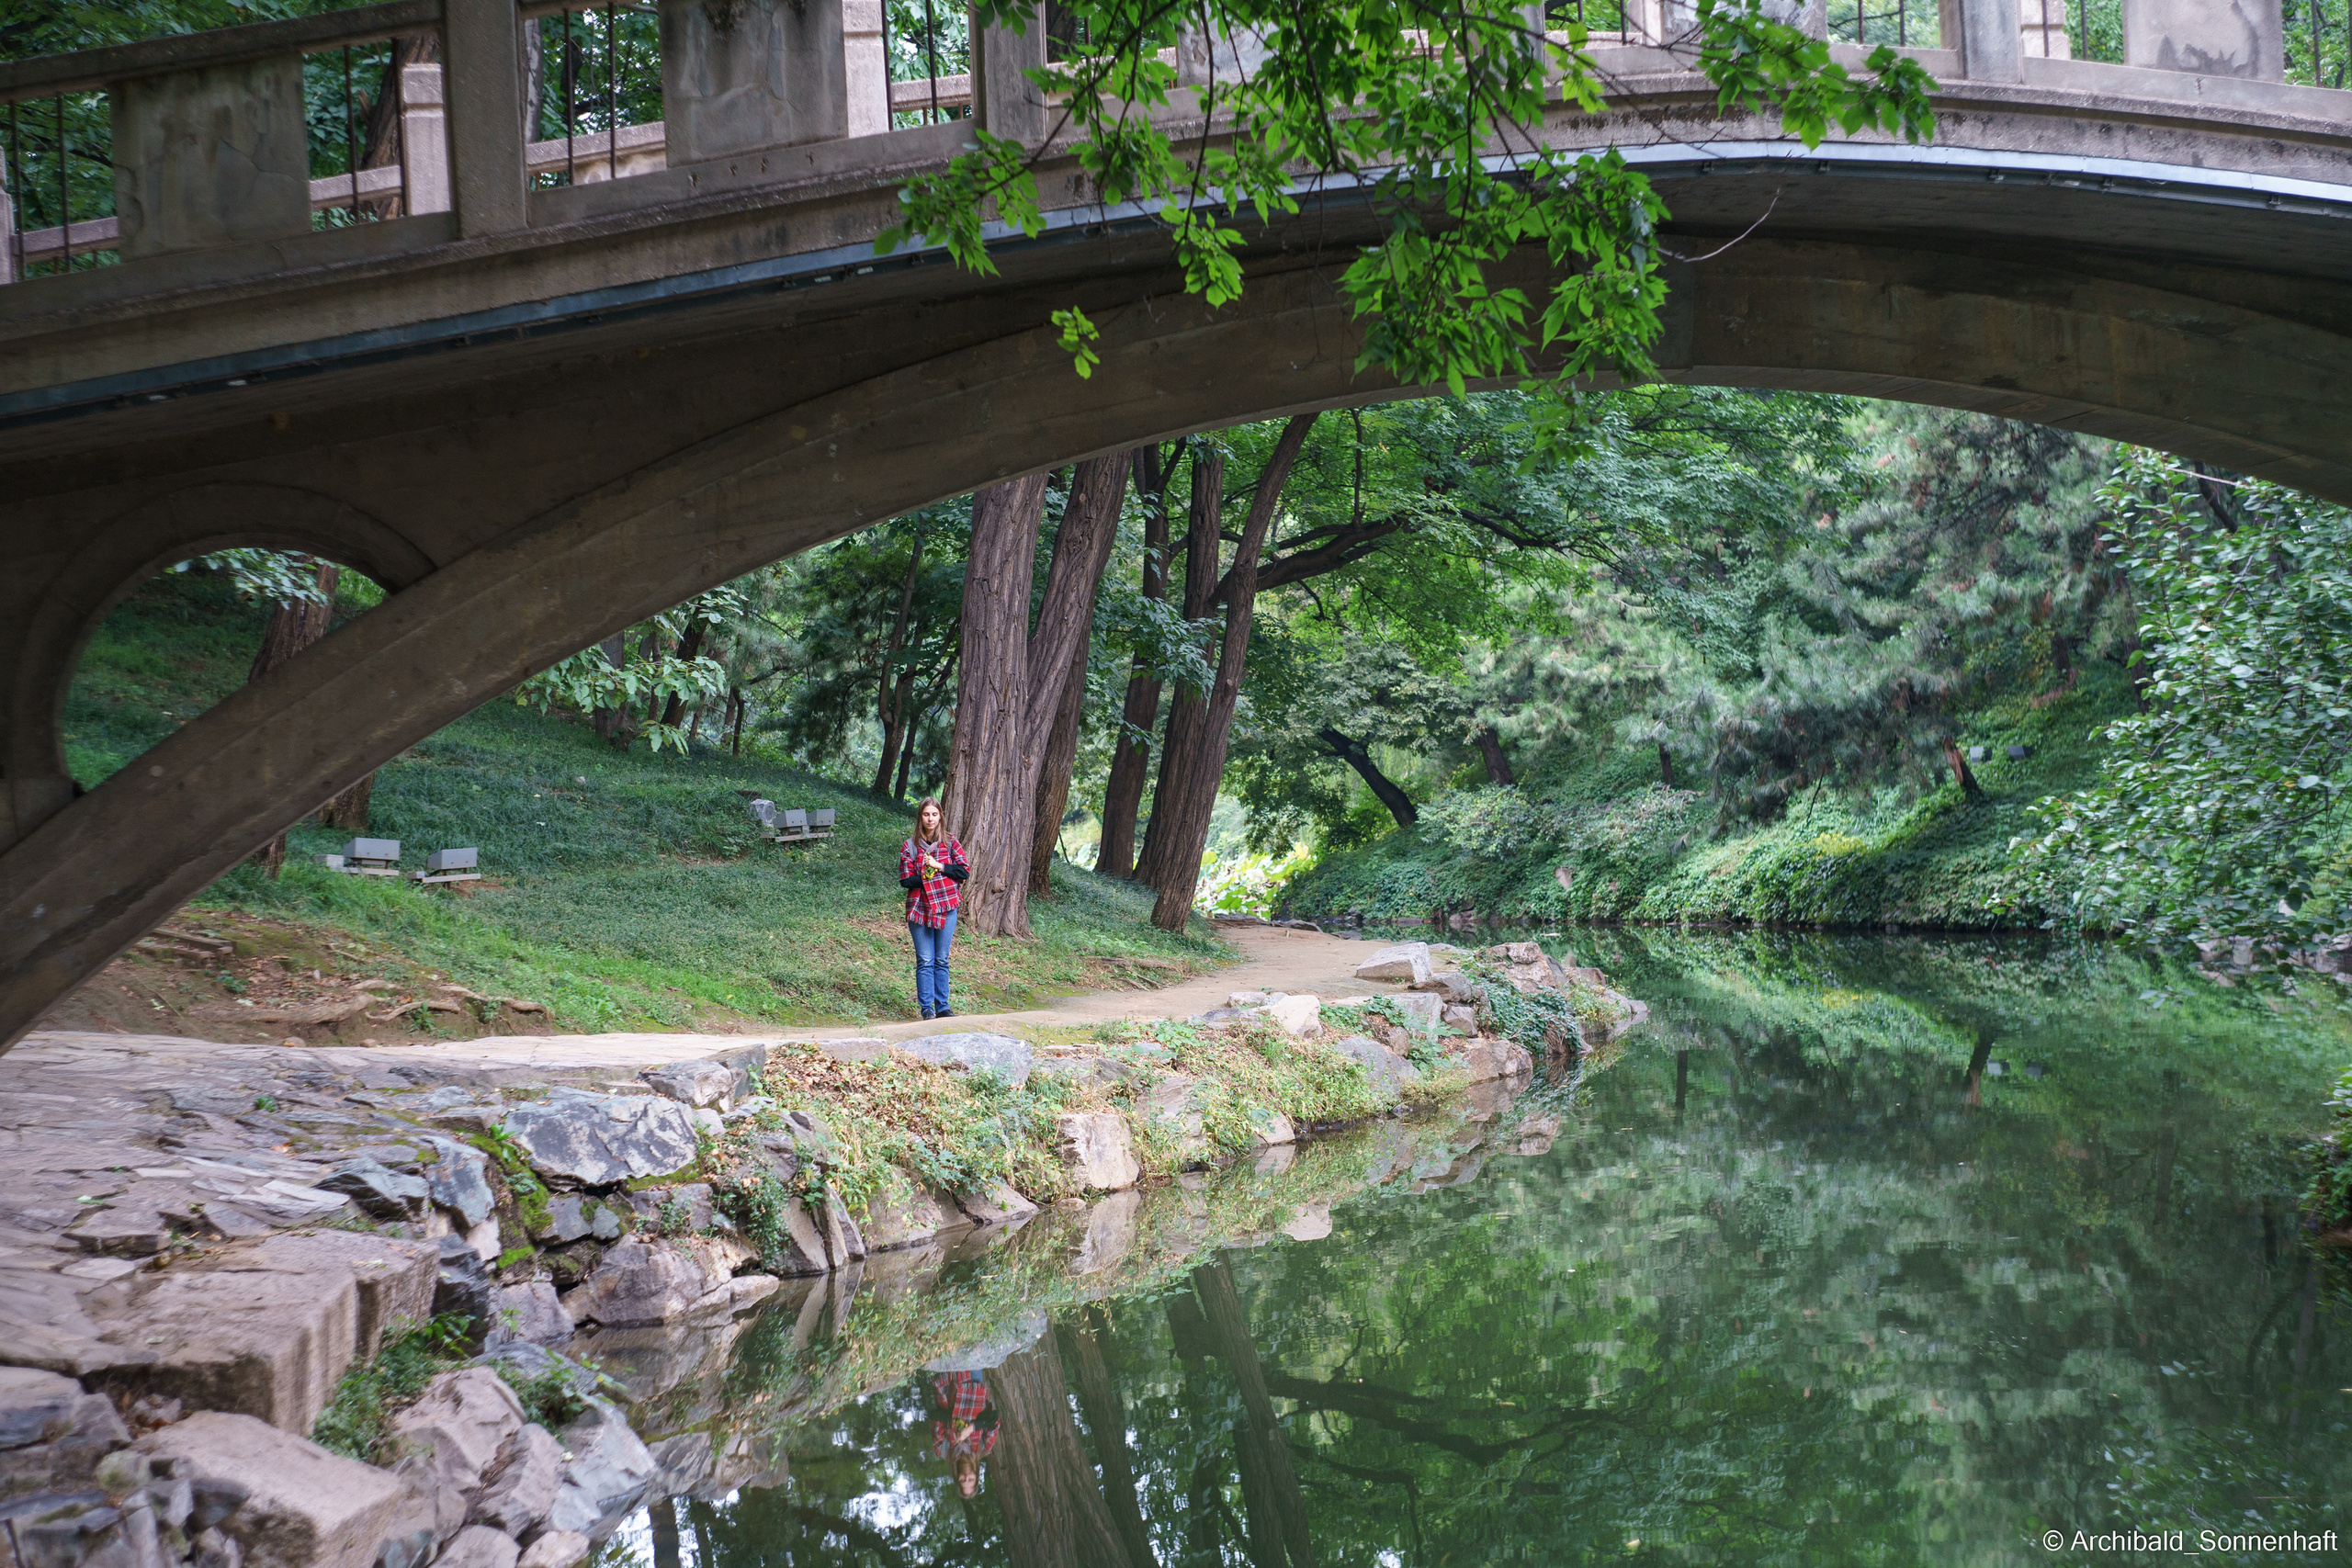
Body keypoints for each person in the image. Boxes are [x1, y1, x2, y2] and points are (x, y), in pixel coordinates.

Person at [899, 798, 967, 1020]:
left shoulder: (951, 844)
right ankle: (927, 1008)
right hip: (919, 909)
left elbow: (963, 871)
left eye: (934, 815)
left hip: (946, 908)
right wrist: (931, 878)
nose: (930, 819)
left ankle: (943, 1007)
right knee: (925, 960)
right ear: (920, 817)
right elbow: (906, 880)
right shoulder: (909, 846)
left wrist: (938, 866)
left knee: (941, 959)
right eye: (926, 815)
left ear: (940, 817)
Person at [931, 1370, 997, 1498]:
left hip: (948, 1384)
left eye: (962, 1480)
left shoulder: (942, 1450)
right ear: (976, 1475)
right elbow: (995, 1418)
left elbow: (935, 1416)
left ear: (957, 1477)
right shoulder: (984, 1448)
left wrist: (957, 1422)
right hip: (974, 1382)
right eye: (971, 1480)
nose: (966, 1477)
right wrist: (972, 1427)